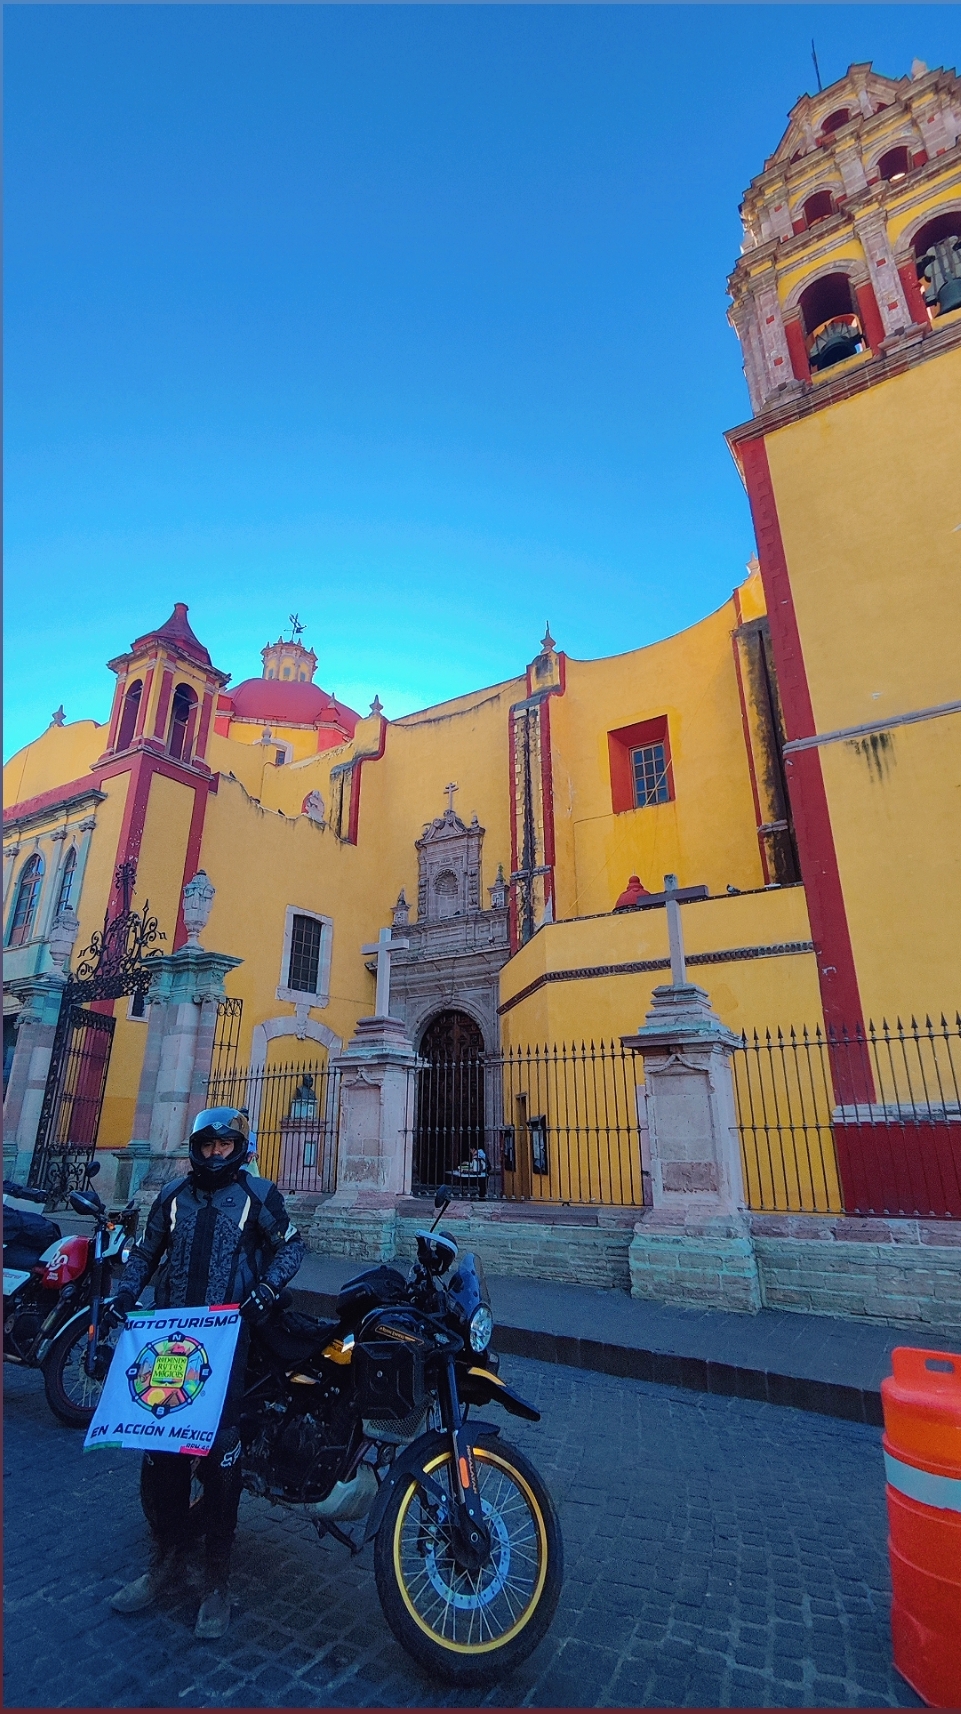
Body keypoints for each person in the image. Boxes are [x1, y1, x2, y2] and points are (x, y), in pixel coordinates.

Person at [106, 1107, 306, 1638]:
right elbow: (148, 1251)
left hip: (226, 1341)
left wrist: (265, 1290)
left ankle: (217, 1580)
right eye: (208, 1145)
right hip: (170, 1340)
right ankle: (164, 1557)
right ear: (196, 1147)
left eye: (225, 1145)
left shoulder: (259, 1197)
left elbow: (291, 1247)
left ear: (239, 1147)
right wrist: (125, 1292)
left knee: (220, 1454)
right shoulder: (173, 1198)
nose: (216, 1153)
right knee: (163, 1450)